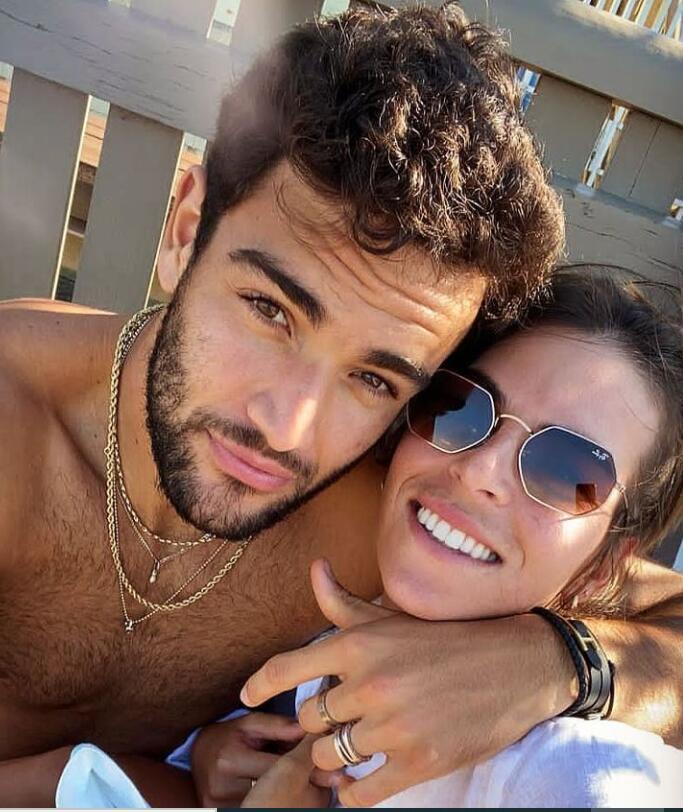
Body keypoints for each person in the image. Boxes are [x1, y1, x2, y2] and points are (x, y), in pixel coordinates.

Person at [0, 4, 680, 807]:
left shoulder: (374, 517)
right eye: (270, 311)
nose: (285, 429)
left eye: (374, 380)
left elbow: (663, 619)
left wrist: (551, 663)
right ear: (185, 230)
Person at [53, 269, 683, 808]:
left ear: (605, 565)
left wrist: (562, 666)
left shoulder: (573, 768)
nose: (479, 471)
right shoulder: (321, 632)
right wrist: (208, 759)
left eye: (568, 471)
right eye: (462, 406)